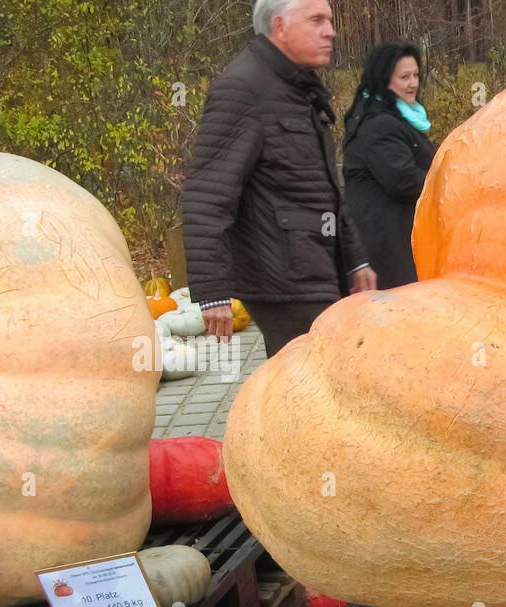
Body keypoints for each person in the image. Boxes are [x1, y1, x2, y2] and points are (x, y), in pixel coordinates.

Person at [182, 0, 377, 356]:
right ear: (280, 27)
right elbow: (207, 194)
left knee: (315, 384)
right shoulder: (243, 88)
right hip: (283, 277)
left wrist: (356, 259)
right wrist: (212, 291)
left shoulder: (297, 88)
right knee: (320, 382)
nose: (330, 31)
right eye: (317, 20)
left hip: (315, 268)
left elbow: (323, 189)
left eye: (330, 21)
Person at [343, 44, 438, 288]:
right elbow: (405, 182)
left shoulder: (400, 118)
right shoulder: (380, 126)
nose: (413, 83)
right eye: (404, 77)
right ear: (385, 80)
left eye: (416, 75)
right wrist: (446, 180)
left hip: (395, 240)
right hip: (387, 246)